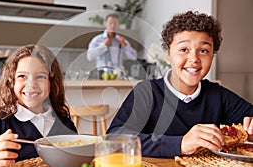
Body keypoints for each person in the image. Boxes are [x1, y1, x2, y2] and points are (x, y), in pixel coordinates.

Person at [107, 11, 253, 157]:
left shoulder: (218, 95)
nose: (194, 58)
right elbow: (115, 138)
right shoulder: (146, 92)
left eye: (203, 51)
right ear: (167, 55)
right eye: (184, 50)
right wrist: (180, 144)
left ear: (212, 56)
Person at [86, 14, 137, 78]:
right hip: (102, 73)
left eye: (115, 24)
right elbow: (89, 56)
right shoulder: (97, 40)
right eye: (110, 23)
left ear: (118, 25)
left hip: (118, 74)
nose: (113, 26)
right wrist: (104, 46)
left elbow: (134, 57)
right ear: (105, 23)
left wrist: (125, 46)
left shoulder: (121, 40)